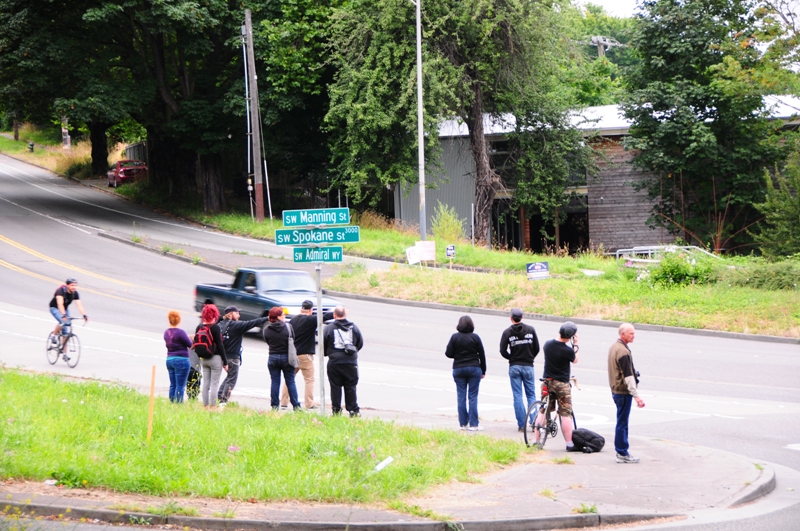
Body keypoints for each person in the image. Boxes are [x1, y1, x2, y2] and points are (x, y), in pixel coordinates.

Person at [535, 321, 580, 450]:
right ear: (571, 336)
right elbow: (575, 359)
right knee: (565, 413)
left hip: (547, 382)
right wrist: (576, 344)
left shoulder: (547, 344)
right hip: (561, 384)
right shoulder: (567, 350)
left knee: (543, 410)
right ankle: (569, 443)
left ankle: (536, 439)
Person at [280, 301, 333, 409]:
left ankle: (284, 402)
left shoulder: (293, 319)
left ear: (301, 309)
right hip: (305, 356)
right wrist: (337, 312)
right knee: (309, 380)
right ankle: (309, 404)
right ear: (311, 310)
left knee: (289, 378)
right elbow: (325, 316)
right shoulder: (310, 320)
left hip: (292, 354)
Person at [217, 305, 270, 407]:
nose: (239, 315)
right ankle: (223, 401)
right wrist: (266, 318)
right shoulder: (236, 326)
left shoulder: (220, 325)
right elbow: (252, 323)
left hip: (222, 356)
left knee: (229, 377)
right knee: (232, 380)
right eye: (237, 313)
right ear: (231, 314)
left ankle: (219, 395)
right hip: (233, 358)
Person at [608, 323, 645, 464]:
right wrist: (636, 396)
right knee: (622, 423)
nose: (634, 335)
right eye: (631, 333)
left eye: (634, 333)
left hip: (616, 390)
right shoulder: (623, 352)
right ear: (622, 334)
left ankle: (621, 451)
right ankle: (622, 452)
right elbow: (628, 376)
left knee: (621, 422)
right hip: (623, 391)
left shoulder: (614, 347)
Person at [499, 308, 540, 432]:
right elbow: (536, 348)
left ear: (511, 318)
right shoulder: (531, 330)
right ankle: (534, 422)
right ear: (522, 317)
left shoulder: (507, 332)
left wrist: (511, 358)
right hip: (528, 366)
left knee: (517, 395)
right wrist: (530, 357)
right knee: (531, 395)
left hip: (514, 366)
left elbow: (502, 350)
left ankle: (522, 425)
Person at [445, 315, 486, 431]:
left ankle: (463, 423)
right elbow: (482, 355)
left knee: (461, 396)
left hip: (458, 368)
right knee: (473, 396)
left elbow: (448, 353)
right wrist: (483, 370)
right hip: (474, 368)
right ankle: (474, 424)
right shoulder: (475, 337)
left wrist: (457, 354)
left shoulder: (454, 337)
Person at [323, 306, 364, 417]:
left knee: (335, 386)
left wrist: (329, 353)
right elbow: (360, 342)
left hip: (335, 361)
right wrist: (353, 352)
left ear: (334, 315)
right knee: (350, 386)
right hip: (350, 361)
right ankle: (353, 410)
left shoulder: (329, 328)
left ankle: (336, 410)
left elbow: (323, 343)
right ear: (345, 314)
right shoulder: (353, 327)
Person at [262, 306, 302, 411]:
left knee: (275, 382)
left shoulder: (267, 329)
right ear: (278, 316)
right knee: (290, 382)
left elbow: (267, 341)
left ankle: (275, 406)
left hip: (273, 357)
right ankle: (296, 406)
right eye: (283, 314)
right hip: (286, 357)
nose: (284, 316)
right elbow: (292, 338)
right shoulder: (288, 327)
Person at [195, 304, 227, 409]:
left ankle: (206, 406)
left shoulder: (199, 327)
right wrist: (225, 362)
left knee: (206, 384)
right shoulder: (215, 328)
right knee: (214, 384)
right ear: (214, 314)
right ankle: (213, 407)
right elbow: (220, 345)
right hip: (215, 358)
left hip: (204, 359)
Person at [48, 278, 88, 353]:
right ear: (67, 285)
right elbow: (60, 304)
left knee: (65, 332)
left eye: (75, 285)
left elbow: (79, 305)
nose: (74, 287)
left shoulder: (75, 293)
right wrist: (63, 315)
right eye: (72, 285)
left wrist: (84, 315)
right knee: (62, 321)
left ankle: (64, 353)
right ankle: (53, 335)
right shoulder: (60, 291)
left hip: (65, 309)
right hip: (55, 308)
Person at [164, 310, 192, 403]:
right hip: (181, 360)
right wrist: (190, 338)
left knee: (173, 384)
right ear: (179, 320)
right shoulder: (180, 332)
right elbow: (190, 344)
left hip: (169, 359)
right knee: (180, 385)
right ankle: (178, 404)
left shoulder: (166, 332)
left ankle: (172, 403)